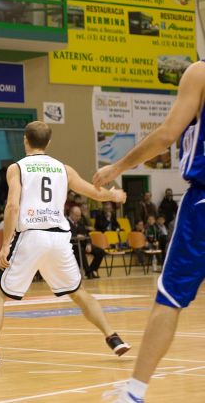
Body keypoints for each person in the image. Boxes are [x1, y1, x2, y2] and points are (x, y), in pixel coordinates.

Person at [0, 121, 130, 370]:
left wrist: (5, 244)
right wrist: (113, 195)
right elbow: (94, 193)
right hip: (59, 238)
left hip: (31, 235)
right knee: (78, 292)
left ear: (25, 139)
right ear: (49, 143)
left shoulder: (17, 168)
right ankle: (114, 338)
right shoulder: (63, 169)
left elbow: (12, 206)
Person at [93, 62, 205, 403]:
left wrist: (118, 166)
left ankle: (135, 392)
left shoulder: (199, 73)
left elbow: (167, 135)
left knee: (170, 298)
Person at [68, 206, 103, 279]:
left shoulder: (80, 223)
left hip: (84, 244)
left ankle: (92, 270)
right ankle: (88, 272)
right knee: (81, 250)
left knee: (100, 251)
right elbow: (65, 235)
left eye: (79, 216)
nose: (78, 217)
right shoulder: (65, 223)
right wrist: (76, 236)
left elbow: (87, 235)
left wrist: (88, 244)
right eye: (77, 215)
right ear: (71, 214)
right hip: (73, 246)